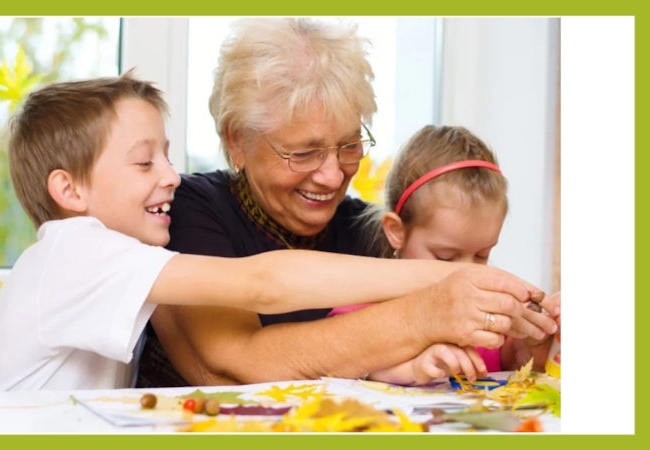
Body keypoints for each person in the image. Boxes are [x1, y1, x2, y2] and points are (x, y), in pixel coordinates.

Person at [0, 71, 527, 392]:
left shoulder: (118, 260)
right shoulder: (77, 250)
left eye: (167, 157)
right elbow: (264, 283)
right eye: (144, 162)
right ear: (70, 190)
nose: (172, 176)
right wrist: (440, 280)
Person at [141, 18, 558, 387]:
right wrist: (426, 314)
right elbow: (233, 364)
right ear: (237, 140)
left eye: (349, 145)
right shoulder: (187, 210)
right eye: (304, 153)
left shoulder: (370, 232)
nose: (332, 175)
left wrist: (527, 344)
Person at [329, 125, 561, 385]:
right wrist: (413, 369)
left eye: (482, 255)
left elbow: (509, 362)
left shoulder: (489, 312)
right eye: (445, 257)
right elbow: (345, 365)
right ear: (396, 231)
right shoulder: (360, 309)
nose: (466, 273)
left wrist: (536, 342)